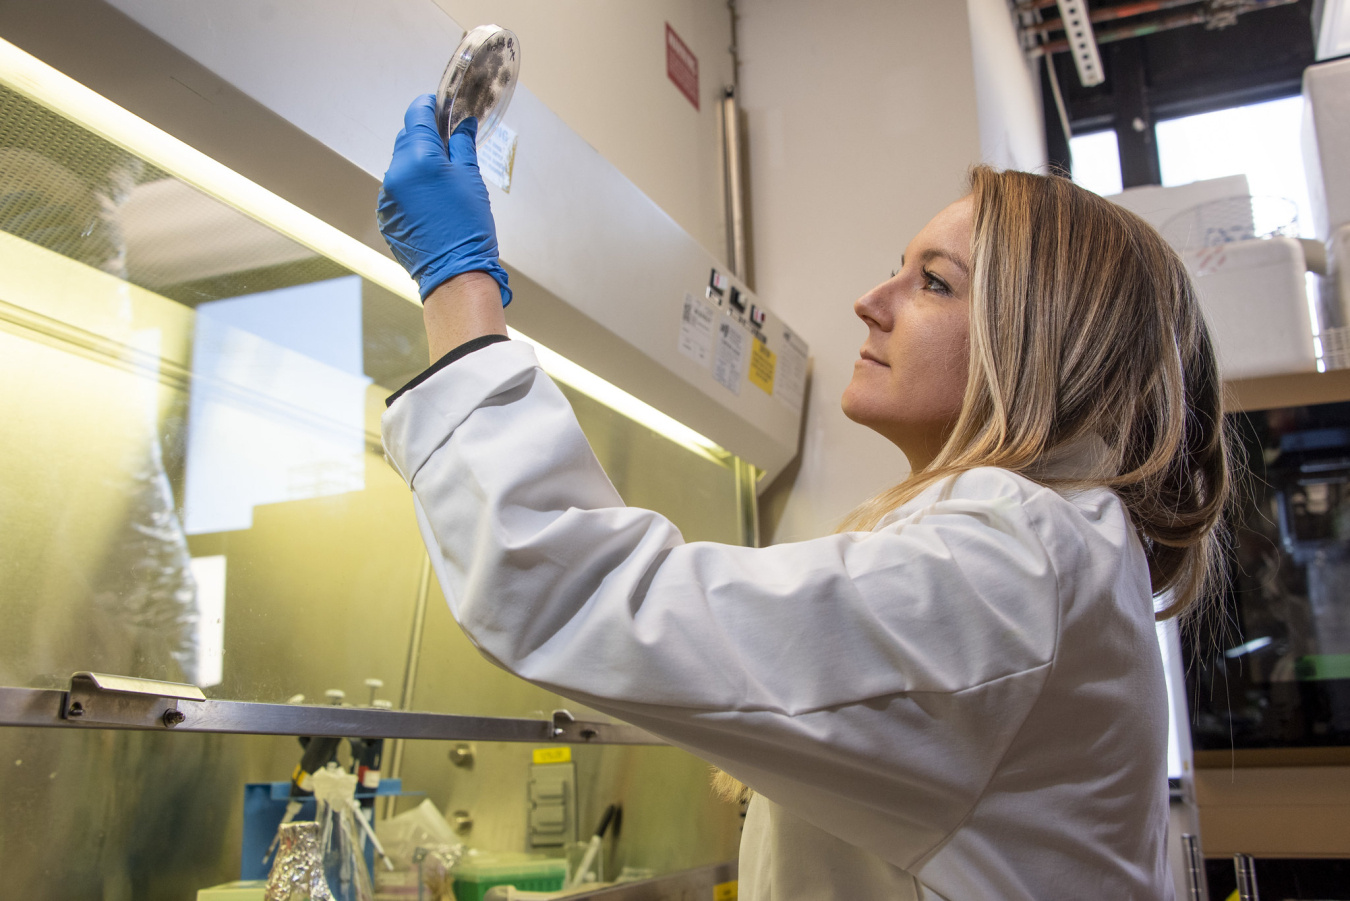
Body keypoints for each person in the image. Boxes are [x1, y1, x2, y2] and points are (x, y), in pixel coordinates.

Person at [376, 94, 1230, 901]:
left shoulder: (1016, 560)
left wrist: (460, 287)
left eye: (933, 282)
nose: (871, 301)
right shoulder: (1053, 545)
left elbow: (576, 589)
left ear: (1043, 341)